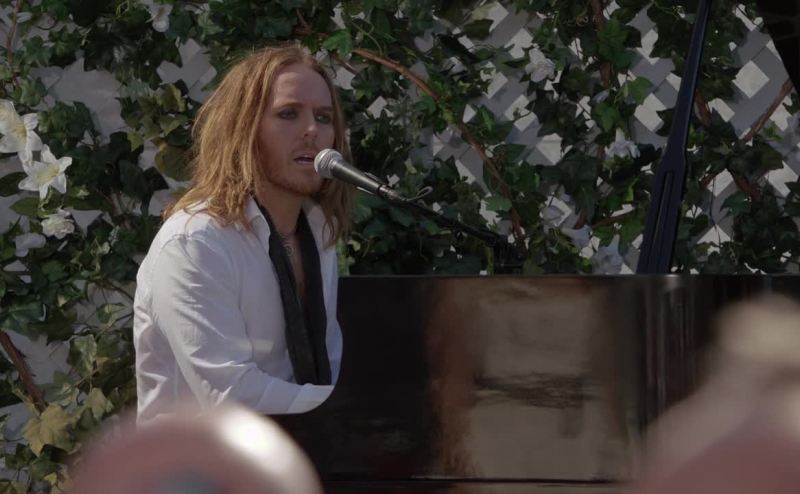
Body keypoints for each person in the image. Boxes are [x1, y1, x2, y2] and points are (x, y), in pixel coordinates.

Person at [133, 43, 355, 423]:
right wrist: (354, 410)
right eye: (288, 114)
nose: (312, 131)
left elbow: (330, 364)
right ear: (244, 129)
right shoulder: (195, 243)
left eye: (323, 117)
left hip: (304, 450)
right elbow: (231, 396)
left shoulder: (317, 232)